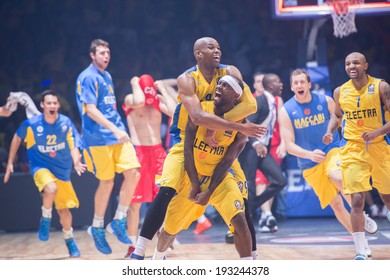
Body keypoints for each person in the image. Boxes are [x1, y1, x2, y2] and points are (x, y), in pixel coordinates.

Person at [130, 37, 266, 260]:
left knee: (242, 203)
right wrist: (218, 124)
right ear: (198, 54)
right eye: (211, 47)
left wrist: (216, 125)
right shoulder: (187, 79)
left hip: (220, 148)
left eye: (219, 47)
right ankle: (140, 250)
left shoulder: (230, 72)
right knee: (167, 190)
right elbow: (197, 117)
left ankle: (252, 261)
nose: (217, 51)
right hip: (186, 141)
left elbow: (249, 104)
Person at [279, 68, 378, 259]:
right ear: (292, 87)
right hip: (309, 161)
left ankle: (361, 216)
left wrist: (335, 133)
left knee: (337, 176)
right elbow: (289, 145)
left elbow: (340, 120)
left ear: (309, 84)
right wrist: (309, 154)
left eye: (302, 82)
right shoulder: (286, 110)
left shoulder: (325, 100)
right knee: (335, 204)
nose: (299, 85)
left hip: (332, 149)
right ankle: (361, 242)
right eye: (296, 83)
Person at [153, 75, 252, 259]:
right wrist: (195, 184)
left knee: (240, 218)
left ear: (236, 96)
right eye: (219, 83)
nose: (219, 87)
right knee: (170, 229)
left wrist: (209, 190)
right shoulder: (198, 111)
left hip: (219, 176)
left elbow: (226, 162)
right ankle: (157, 258)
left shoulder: (241, 128)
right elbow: (187, 150)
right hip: (193, 175)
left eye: (225, 85)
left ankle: (250, 265)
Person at [75, 39, 140, 255]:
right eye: (101, 52)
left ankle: (118, 220)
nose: (106, 56)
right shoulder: (87, 77)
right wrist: (115, 129)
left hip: (116, 134)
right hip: (98, 139)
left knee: (133, 173)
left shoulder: (107, 75)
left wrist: (117, 130)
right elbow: (91, 110)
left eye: (108, 52)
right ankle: (97, 227)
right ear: (92, 55)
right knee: (107, 182)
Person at [323, 52, 390, 260]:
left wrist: (377, 132)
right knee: (357, 200)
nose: (351, 66)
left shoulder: (381, 87)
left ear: (365, 65)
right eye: (348, 63)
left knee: (387, 196)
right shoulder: (340, 91)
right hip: (353, 148)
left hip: (379, 145)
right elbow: (336, 115)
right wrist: (329, 131)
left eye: (356, 63)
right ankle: (362, 249)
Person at [3, 90, 86, 257]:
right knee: (51, 188)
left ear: (58, 106)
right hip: (40, 167)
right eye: (49, 103)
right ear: (42, 105)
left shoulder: (65, 123)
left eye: (55, 103)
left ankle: (69, 241)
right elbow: (16, 138)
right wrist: (11, 162)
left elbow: (73, 145)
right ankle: (46, 219)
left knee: (64, 211)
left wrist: (76, 161)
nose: (52, 106)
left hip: (62, 170)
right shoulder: (32, 124)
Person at [122, 74, 177, 256]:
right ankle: (132, 244)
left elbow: (174, 111)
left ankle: (162, 239)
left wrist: (161, 89)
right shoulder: (131, 99)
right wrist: (134, 81)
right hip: (139, 153)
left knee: (163, 198)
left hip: (158, 153)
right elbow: (138, 100)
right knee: (135, 204)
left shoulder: (156, 101)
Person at [239, 73, 286, 233]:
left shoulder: (274, 102)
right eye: (278, 82)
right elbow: (247, 124)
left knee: (280, 181)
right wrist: (257, 143)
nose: (281, 84)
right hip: (251, 149)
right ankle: (240, 224)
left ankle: (250, 207)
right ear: (271, 85)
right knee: (250, 185)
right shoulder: (260, 101)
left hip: (262, 148)